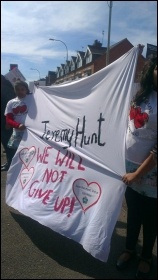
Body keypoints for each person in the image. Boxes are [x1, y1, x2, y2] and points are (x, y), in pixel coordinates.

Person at [116, 54, 157, 279]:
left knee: (151, 219)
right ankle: (129, 250)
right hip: (128, 166)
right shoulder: (139, 94)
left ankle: (147, 257)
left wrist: (136, 174)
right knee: (133, 214)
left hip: (151, 172)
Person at [2, 80, 31, 171]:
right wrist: (17, 125)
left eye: (23, 89)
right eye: (18, 89)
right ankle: (18, 170)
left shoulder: (32, 99)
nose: (20, 91)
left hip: (30, 133)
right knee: (17, 153)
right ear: (15, 90)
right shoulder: (11, 103)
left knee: (30, 153)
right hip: (17, 133)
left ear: (26, 90)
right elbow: (8, 119)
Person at [1, 75, 16, 171]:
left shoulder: (5, 88)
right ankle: (9, 162)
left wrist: (8, 121)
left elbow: (8, 107)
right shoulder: (6, 86)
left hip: (5, 121)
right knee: (7, 144)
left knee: (8, 144)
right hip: (4, 120)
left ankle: (10, 163)